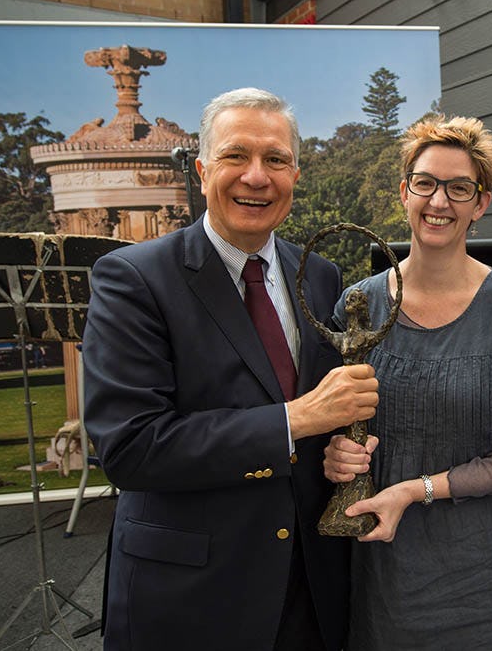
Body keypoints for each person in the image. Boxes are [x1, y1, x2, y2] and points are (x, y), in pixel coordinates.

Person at [83, 87, 380, 651]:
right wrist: (297, 420)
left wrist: (341, 448)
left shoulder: (319, 276)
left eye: (275, 159)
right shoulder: (134, 279)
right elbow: (130, 448)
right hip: (191, 596)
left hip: (309, 591)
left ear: (295, 175)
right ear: (202, 171)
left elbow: (321, 418)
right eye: (235, 155)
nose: (256, 176)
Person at [323, 116, 492, 650]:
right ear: (404, 192)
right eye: (425, 183)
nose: (439, 201)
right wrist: (335, 455)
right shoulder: (358, 305)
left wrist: (415, 489)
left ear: (481, 203)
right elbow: (332, 422)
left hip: (488, 573)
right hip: (388, 570)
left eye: (459, 188)